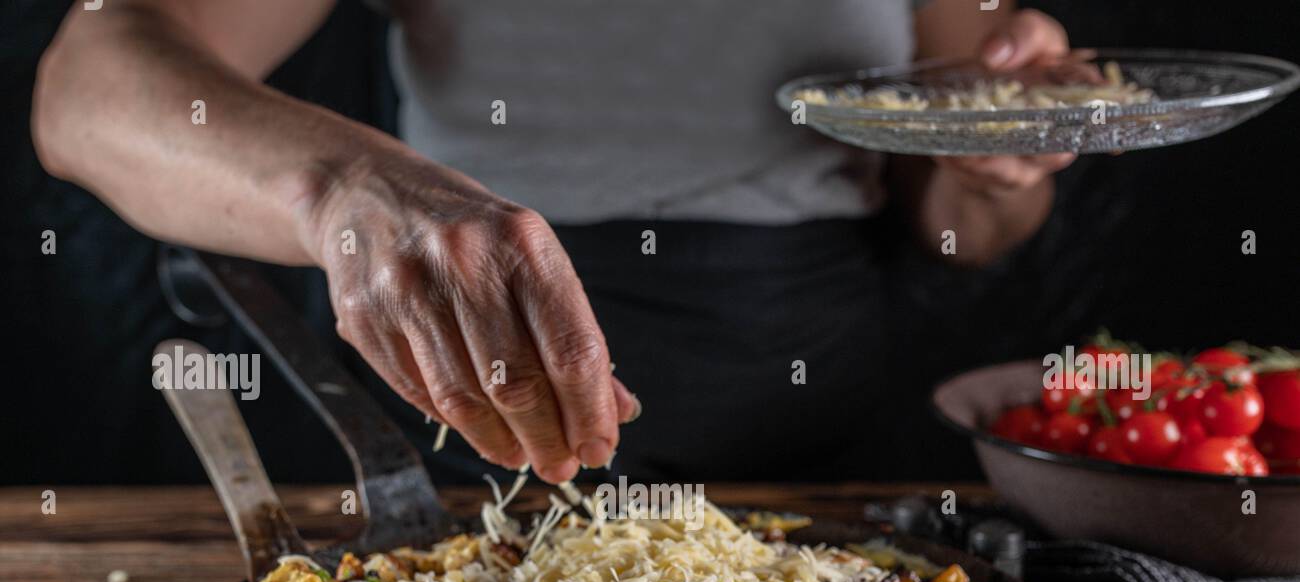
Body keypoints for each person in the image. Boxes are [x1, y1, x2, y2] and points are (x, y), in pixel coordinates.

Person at [33, 0, 1076, 484]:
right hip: (456, 385)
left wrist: (991, 169)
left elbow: (963, 232)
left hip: (818, 412)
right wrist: (349, 190)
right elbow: (88, 85)